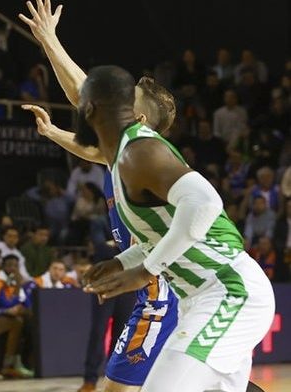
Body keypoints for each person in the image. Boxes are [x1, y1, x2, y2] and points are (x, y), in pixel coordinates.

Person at [50, 64, 274, 391]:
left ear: (93, 110)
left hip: (228, 291)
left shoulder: (139, 151)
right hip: (198, 298)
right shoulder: (120, 160)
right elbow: (161, 234)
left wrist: (146, 270)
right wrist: (123, 262)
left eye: (82, 100)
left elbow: (205, 204)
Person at [19, 0, 179, 391]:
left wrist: (50, 41)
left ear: (139, 120)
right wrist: (54, 132)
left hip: (158, 292)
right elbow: (92, 149)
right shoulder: (126, 156)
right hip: (160, 283)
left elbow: (84, 96)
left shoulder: (143, 152)